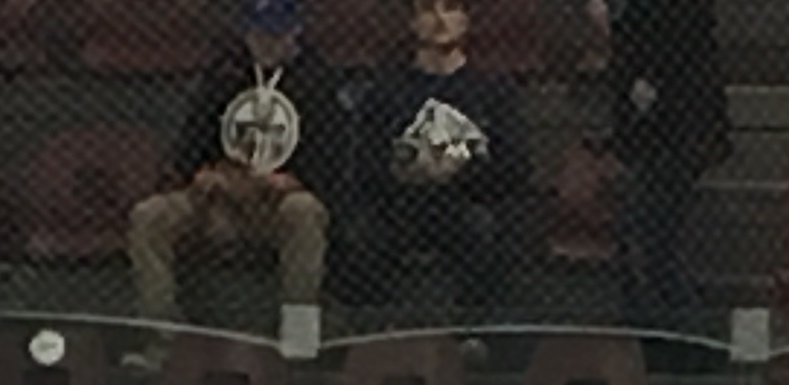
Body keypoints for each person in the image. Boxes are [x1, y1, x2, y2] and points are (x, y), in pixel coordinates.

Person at [125, 0, 338, 356]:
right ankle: (163, 340)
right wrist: (206, 175)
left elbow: (330, 165)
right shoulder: (223, 73)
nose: (267, 43)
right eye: (259, 34)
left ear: (296, 32)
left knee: (304, 212)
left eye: (277, 34)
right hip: (219, 197)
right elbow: (189, 150)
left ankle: (299, 339)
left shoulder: (318, 82)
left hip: (275, 202)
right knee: (149, 216)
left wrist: (290, 181)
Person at [340, 0, 530, 322]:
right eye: (428, 8)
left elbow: (516, 167)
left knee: (483, 229)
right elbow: (363, 166)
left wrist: (459, 172)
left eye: (451, 7)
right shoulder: (385, 92)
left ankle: (477, 334)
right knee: (366, 235)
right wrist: (401, 171)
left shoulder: (494, 91)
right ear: (413, 22)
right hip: (400, 205)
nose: (441, 18)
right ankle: (372, 331)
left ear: (465, 20)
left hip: (465, 202)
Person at [586, 0, 722, 328]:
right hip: (654, 135)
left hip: (674, 135)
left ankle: (687, 334)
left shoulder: (676, 16)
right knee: (641, 241)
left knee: (654, 247)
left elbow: (665, 55)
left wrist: (611, 28)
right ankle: (652, 327)